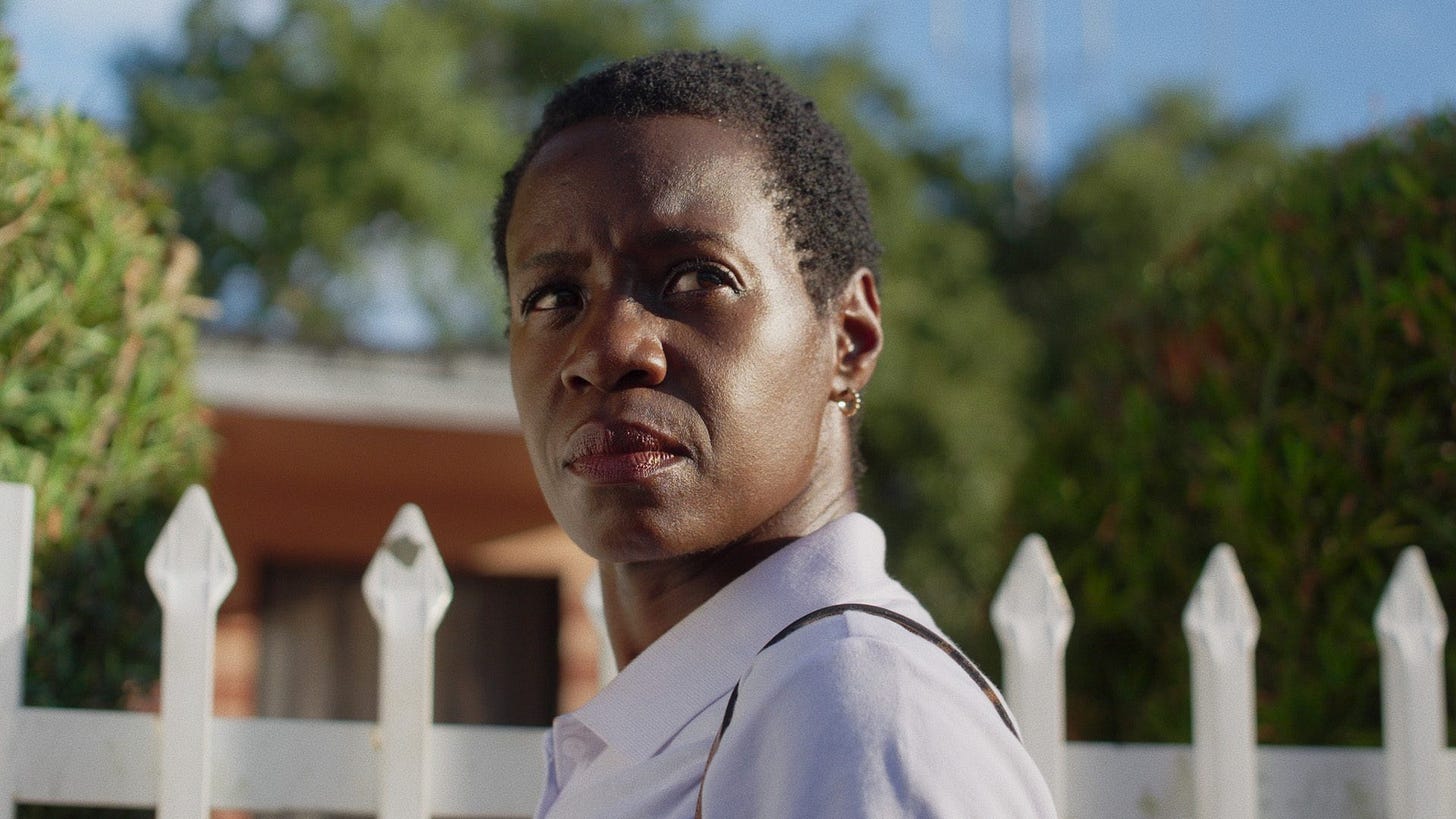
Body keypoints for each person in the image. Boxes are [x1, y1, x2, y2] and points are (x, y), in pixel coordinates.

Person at [492, 49, 1057, 818]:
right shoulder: (702, 722)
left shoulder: (854, 706)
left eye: (696, 278)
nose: (608, 350)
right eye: (554, 296)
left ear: (848, 339)